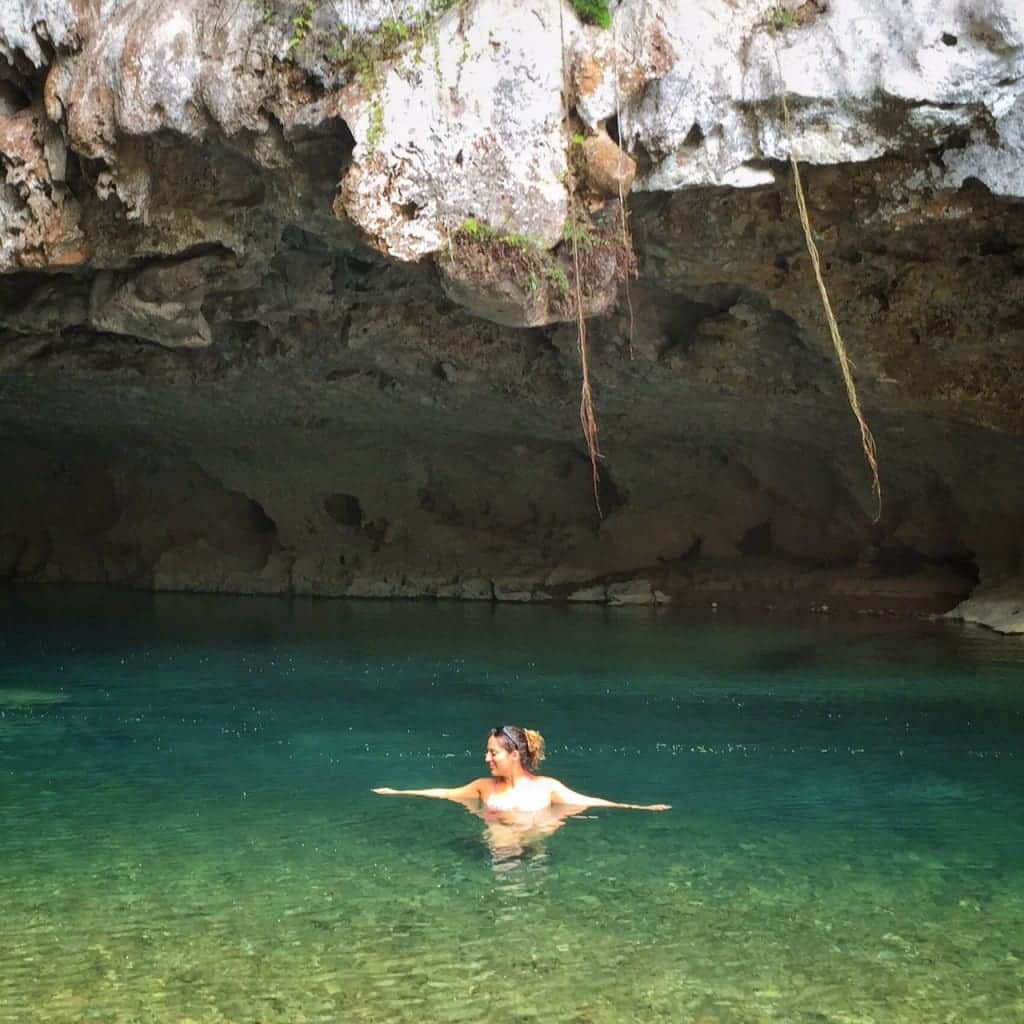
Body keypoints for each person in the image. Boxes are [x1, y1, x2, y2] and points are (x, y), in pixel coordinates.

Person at [373, 724, 670, 812]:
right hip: (494, 856)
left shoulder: (547, 788)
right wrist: (397, 791)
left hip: (532, 854)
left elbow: (589, 802)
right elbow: (445, 793)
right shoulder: (483, 787)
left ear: (514, 754)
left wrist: (637, 808)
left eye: (493, 753)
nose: (487, 759)